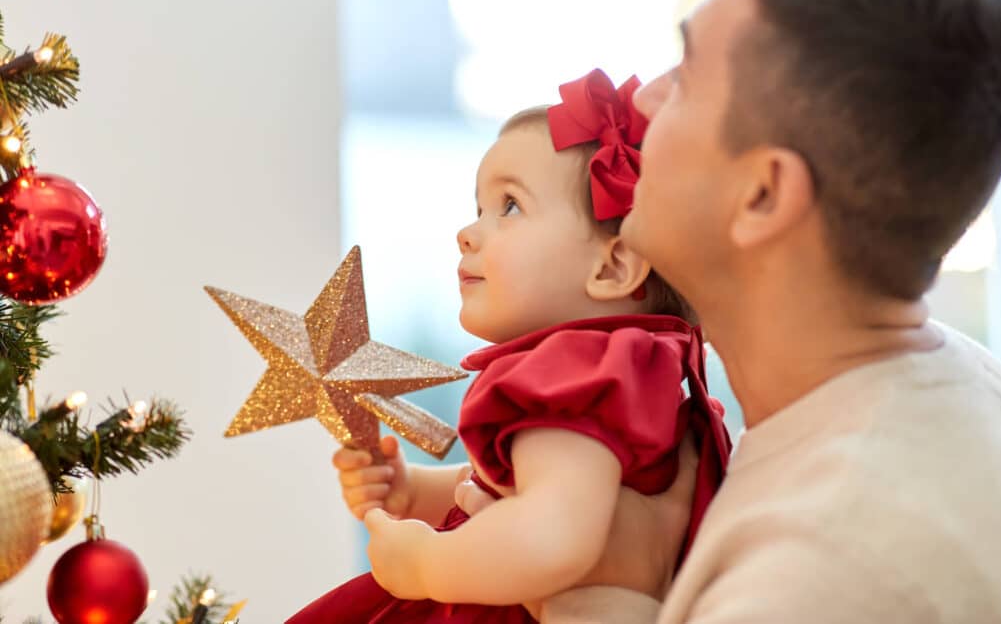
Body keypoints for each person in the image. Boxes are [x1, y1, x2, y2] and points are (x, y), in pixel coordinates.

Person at [457, 0, 1001, 622]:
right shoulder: (967, 391)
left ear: (762, 196)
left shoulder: (824, 569)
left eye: (687, 78)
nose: (642, 96)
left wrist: (604, 603)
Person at [285, 69, 730, 624]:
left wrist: (427, 564)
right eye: (478, 208)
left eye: (510, 206)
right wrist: (412, 491)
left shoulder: (574, 372)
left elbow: (553, 535)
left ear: (613, 265)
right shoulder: (637, 375)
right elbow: (527, 491)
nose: (467, 233)